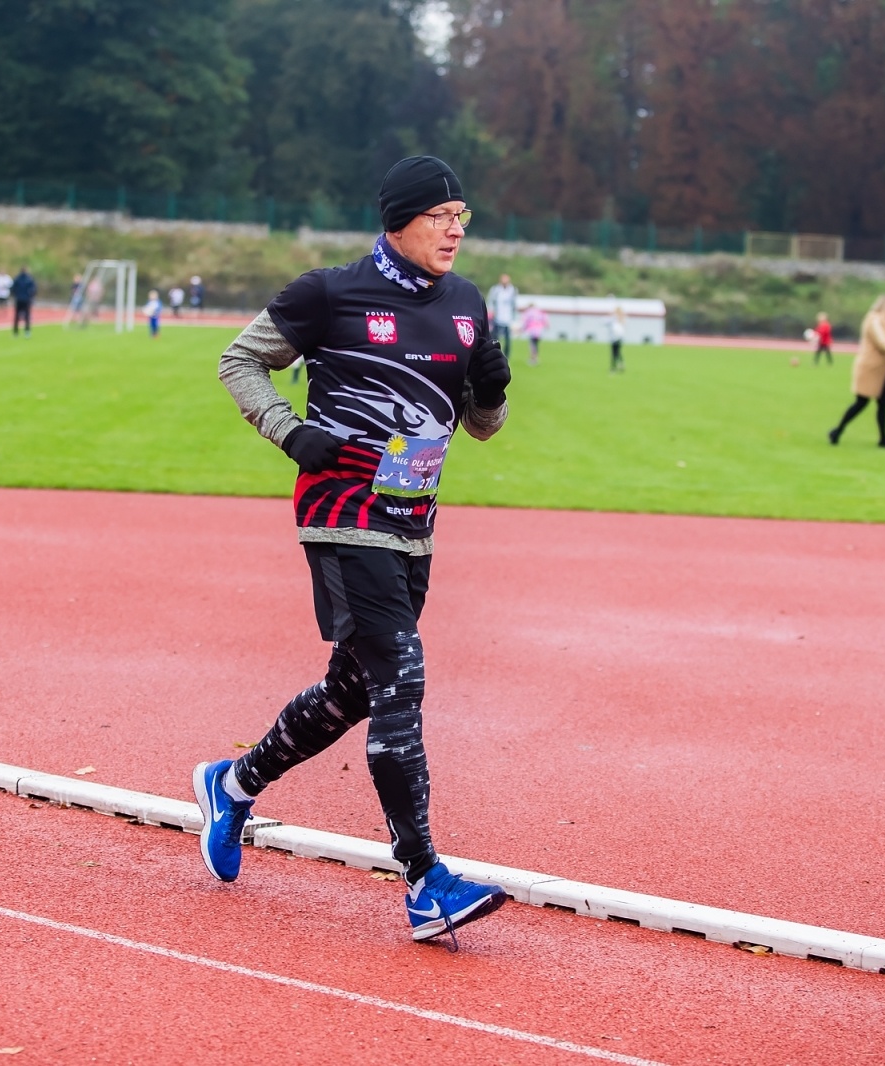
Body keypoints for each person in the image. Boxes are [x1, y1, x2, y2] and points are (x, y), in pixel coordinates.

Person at [198, 155, 512, 948]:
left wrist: (495, 388)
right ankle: (424, 882)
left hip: (413, 522)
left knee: (357, 687)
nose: (457, 229)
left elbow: (481, 426)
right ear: (400, 221)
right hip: (342, 512)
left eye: (462, 215)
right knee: (402, 678)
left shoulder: (469, 304)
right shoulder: (328, 294)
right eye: (443, 215)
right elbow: (240, 360)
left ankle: (232, 784)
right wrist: (289, 430)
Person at [828, 294, 885, 448]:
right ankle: (838, 430)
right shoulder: (874, 320)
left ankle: (883, 439)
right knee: (861, 402)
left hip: (884, 369)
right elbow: (882, 343)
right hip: (870, 368)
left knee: (883, 402)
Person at [486, 272, 517, 356]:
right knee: (496, 337)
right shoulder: (496, 289)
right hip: (497, 317)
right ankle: (496, 353)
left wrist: (514, 318)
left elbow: (514, 304)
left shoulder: (512, 290)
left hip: (508, 318)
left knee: (507, 339)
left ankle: (507, 355)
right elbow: (491, 302)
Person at [520, 301, 548, 365]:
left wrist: (522, 329)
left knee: (532, 345)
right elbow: (544, 320)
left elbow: (525, 322)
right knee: (536, 345)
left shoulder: (528, 312)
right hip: (539, 331)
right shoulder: (539, 312)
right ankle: (536, 358)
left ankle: (533, 359)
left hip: (532, 330)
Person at [10, 266, 36, 334]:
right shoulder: (29, 279)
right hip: (26, 299)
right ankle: (27, 331)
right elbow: (33, 290)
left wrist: (16, 295)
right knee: (27, 315)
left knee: (17, 315)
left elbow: (12, 289)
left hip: (19, 299)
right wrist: (30, 296)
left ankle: (15, 331)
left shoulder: (17, 278)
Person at [607, 300, 626, 373]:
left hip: (615, 338)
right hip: (618, 338)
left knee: (614, 353)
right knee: (617, 352)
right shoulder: (620, 319)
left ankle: (614, 367)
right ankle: (620, 365)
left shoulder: (616, 319)